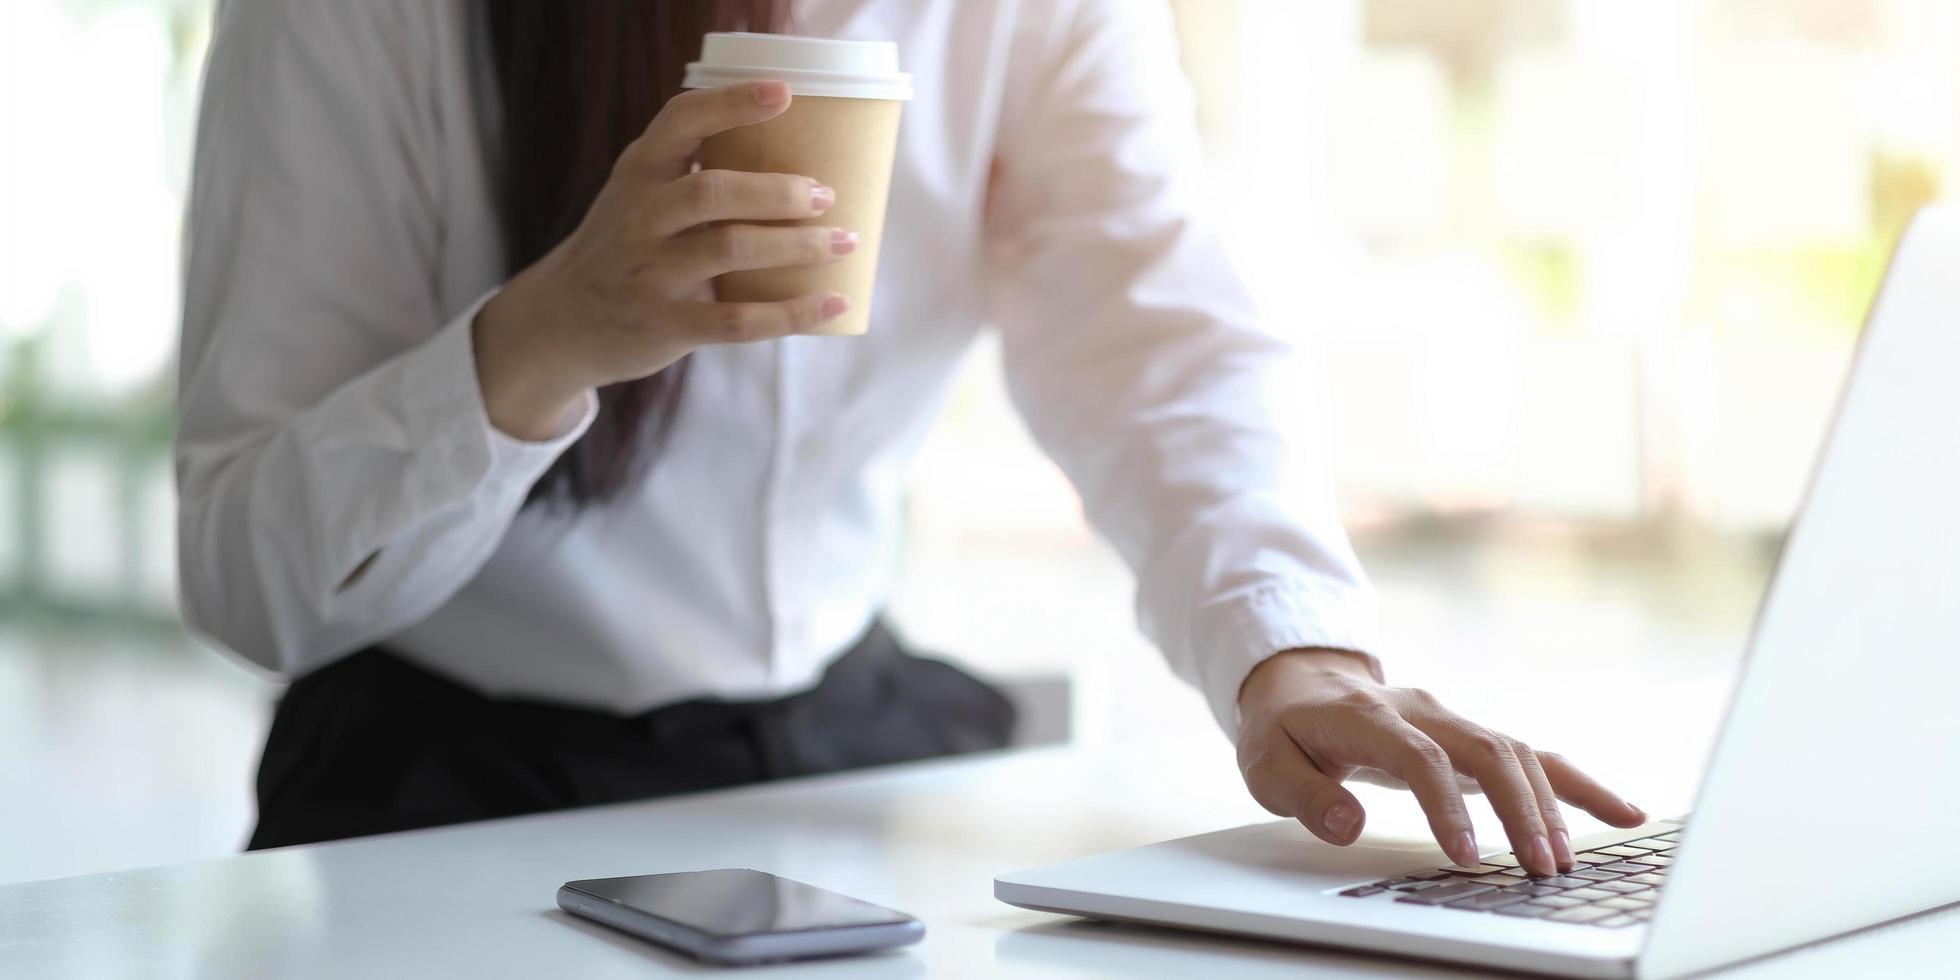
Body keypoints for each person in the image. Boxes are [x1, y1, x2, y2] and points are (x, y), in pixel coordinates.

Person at [177, 0, 1645, 870]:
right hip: (441, 789)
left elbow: (1152, 332)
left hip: (836, 753)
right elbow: (245, 575)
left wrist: (1290, 651)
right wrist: (554, 329)